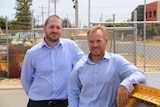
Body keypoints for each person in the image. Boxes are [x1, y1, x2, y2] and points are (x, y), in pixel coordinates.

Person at [68, 25, 146, 107]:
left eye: (98, 41)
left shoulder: (116, 62)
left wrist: (125, 84)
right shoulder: (80, 66)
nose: (95, 45)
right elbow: (73, 91)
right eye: (91, 41)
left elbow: (140, 74)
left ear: (106, 41)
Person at [21, 15, 85, 107]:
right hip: (38, 103)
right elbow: (25, 80)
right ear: (44, 28)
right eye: (51, 27)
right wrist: (36, 96)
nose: (55, 30)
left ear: (61, 30)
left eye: (58, 27)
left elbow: (84, 66)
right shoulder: (32, 53)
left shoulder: (71, 47)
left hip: (64, 103)